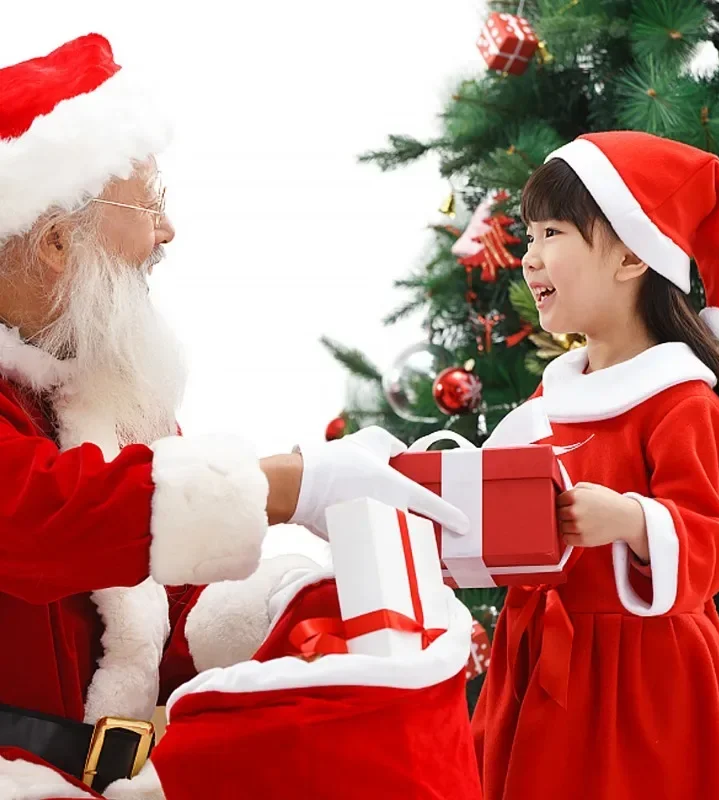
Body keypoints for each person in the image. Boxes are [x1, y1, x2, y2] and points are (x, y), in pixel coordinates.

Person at [0, 34, 467, 792]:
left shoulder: (98, 392)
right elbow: (44, 517)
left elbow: (167, 605)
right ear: (57, 240)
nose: (167, 232)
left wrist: (302, 605)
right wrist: (287, 484)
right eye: (149, 204)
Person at [471, 131, 719, 799]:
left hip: (643, 682)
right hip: (542, 660)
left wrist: (631, 519)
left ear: (631, 255)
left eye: (551, 233)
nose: (529, 256)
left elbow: (713, 540)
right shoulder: (555, 394)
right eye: (530, 235)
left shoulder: (682, 403)